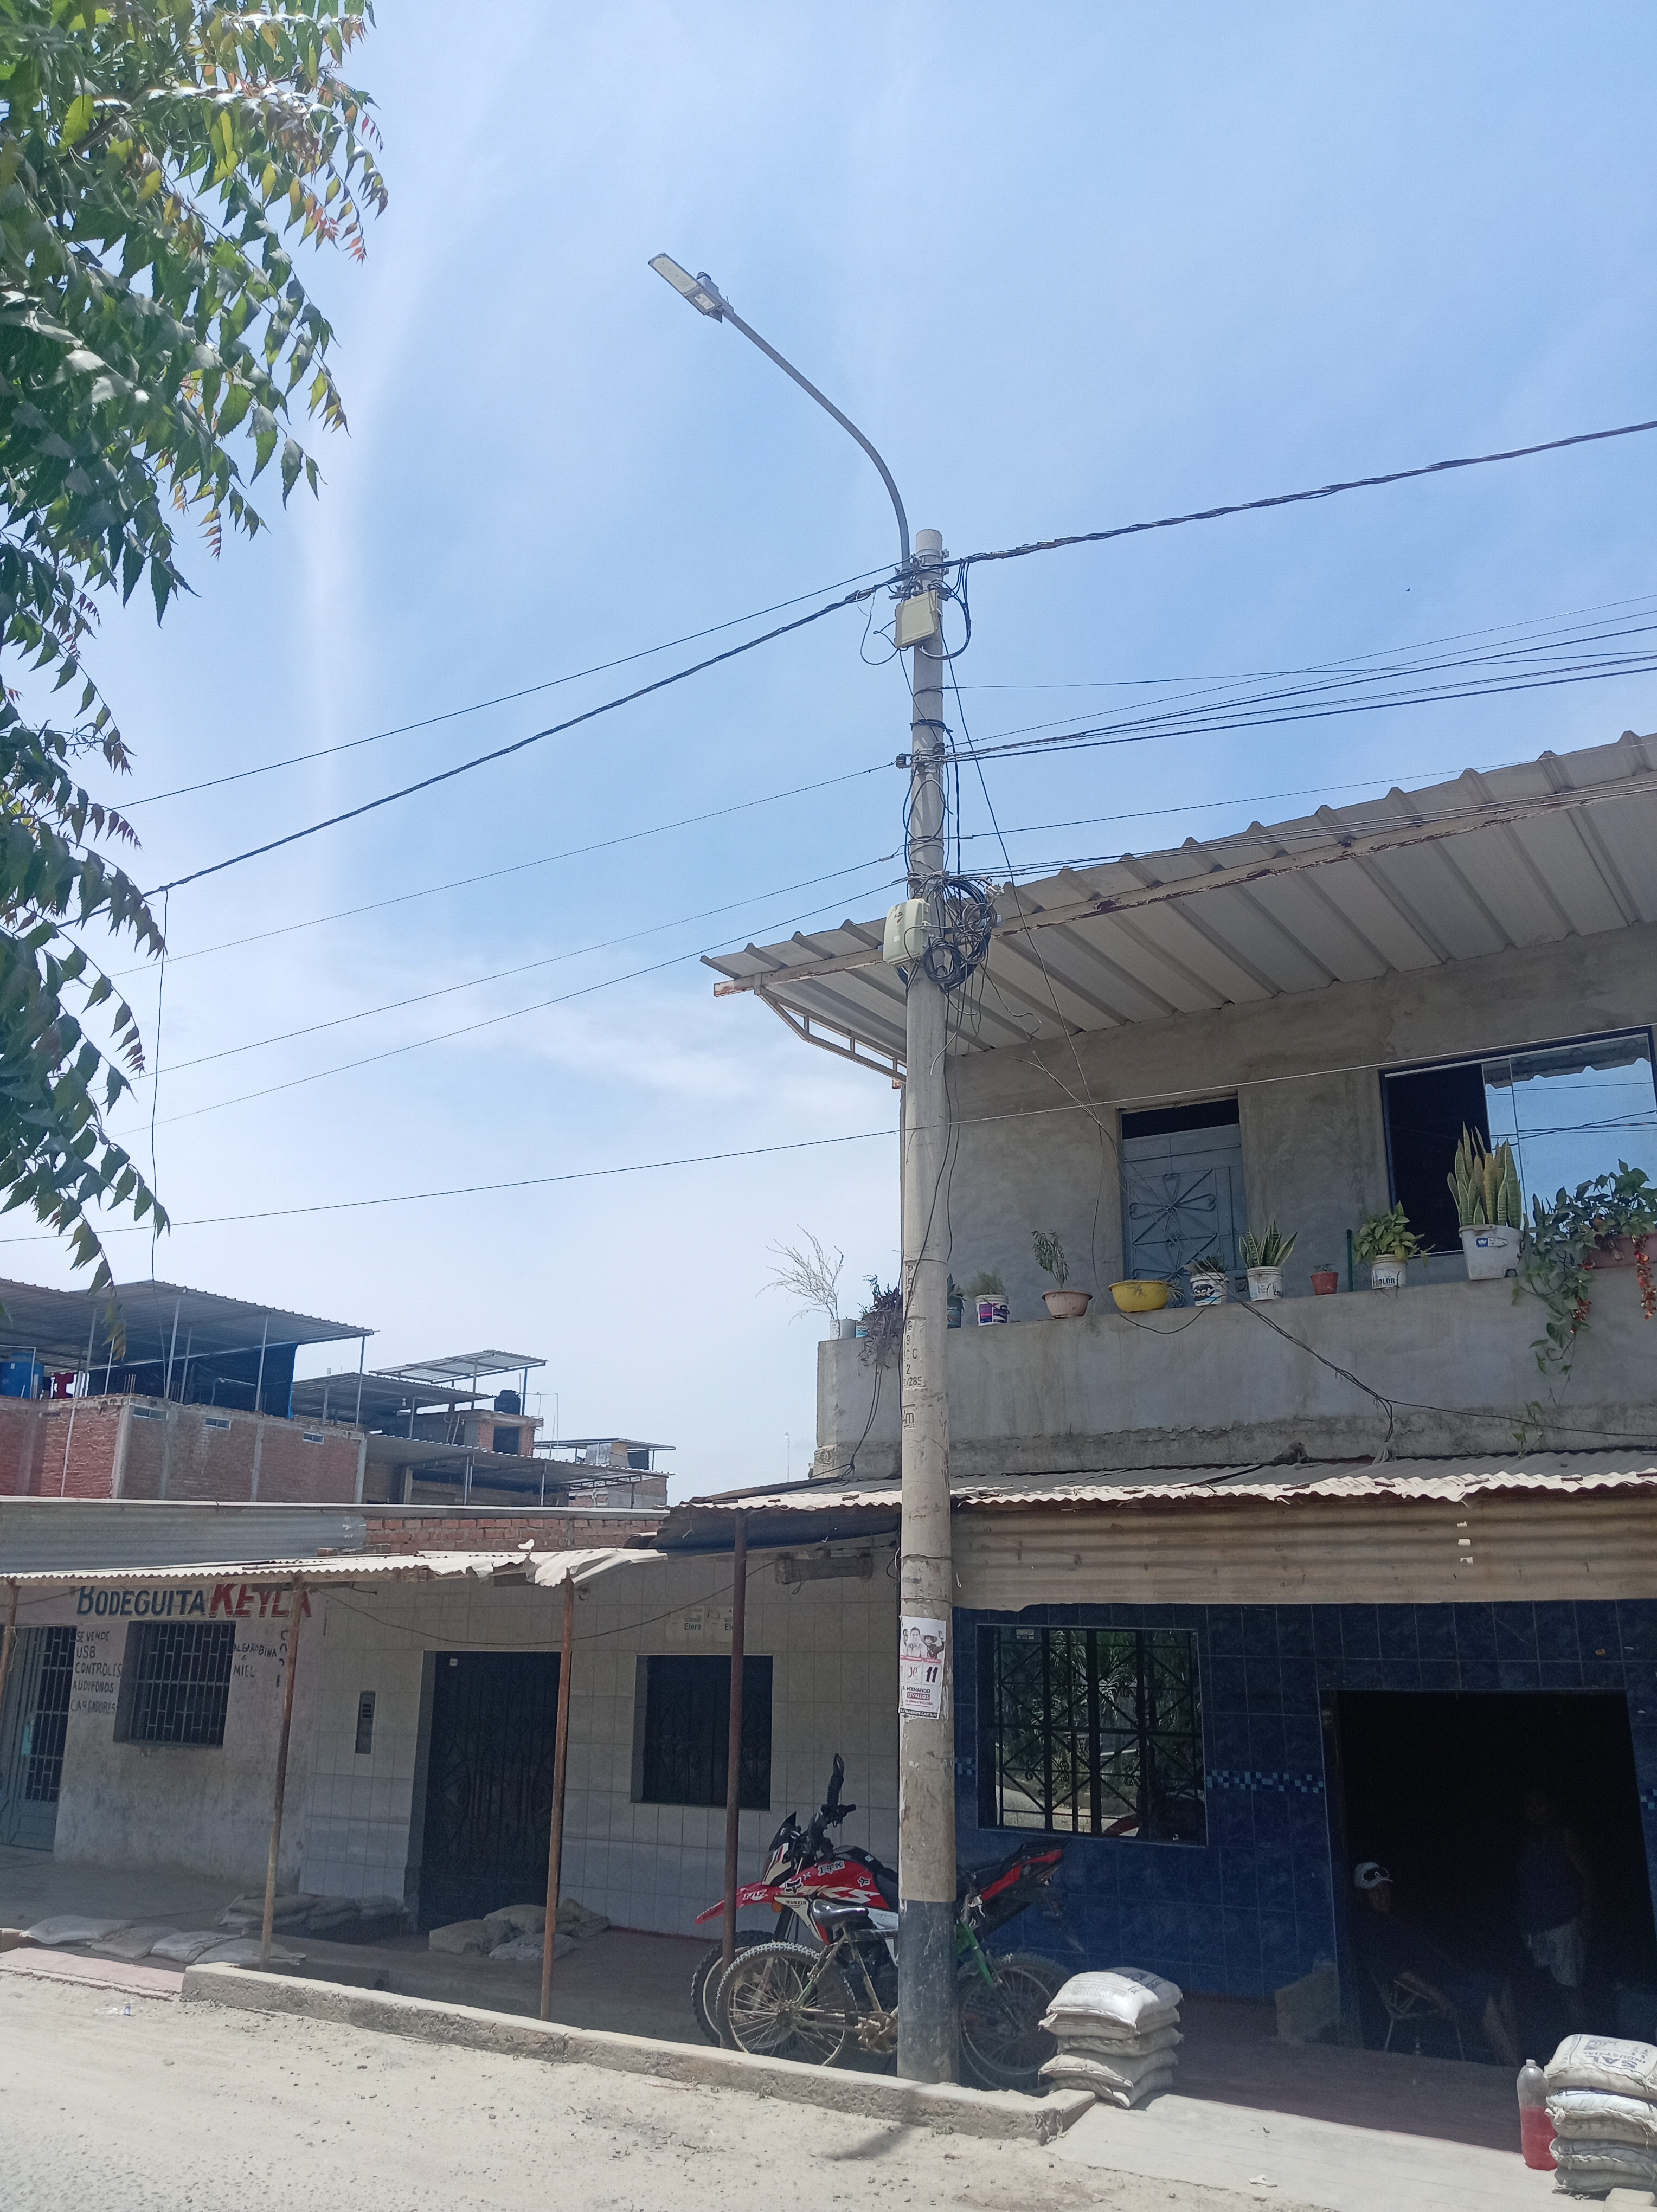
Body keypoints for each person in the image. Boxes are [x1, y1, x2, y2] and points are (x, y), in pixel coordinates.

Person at [1351, 1860, 1521, 2066]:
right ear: (1363, 1896)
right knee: (1484, 2000)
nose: (1383, 1895)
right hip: (1430, 1990)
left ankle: (1516, 2057)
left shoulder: (1391, 1920)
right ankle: (1514, 2067)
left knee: (1502, 1986)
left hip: (1448, 1976)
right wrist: (1437, 1995)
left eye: (1385, 1888)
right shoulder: (1370, 1928)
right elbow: (1398, 1972)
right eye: (1375, 1891)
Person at [1517, 1787, 1594, 2030]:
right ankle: (1556, 2040)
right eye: (1530, 1807)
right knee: (1548, 1987)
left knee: (1570, 1989)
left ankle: (1581, 2041)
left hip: (1565, 1924)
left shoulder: (1564, 1835)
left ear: (1550, 1806)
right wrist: (1524, 1921)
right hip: (1536, 1926)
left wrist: (1587, 1918)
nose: (1535, 1811)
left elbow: (1589, 1876)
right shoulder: (1530, 1841)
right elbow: (1525, 1884)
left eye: (1539, 1804)